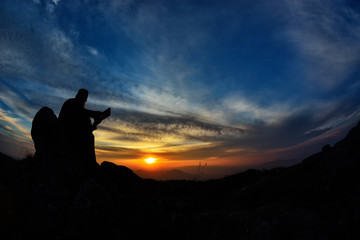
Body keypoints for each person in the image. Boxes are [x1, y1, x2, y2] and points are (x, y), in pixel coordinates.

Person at [59, 89, 109, 176]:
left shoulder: (79, 108)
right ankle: (90, 164)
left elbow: (80, 120)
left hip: (73, 132)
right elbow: (79, 115)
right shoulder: (71, 103)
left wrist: (93, 125)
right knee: (89, 136)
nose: (84, 99)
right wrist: (96, 114)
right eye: (83, 96)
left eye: (85, 97)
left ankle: (90, 163)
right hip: (66, 133)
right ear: (78, 95)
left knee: (89, 134)